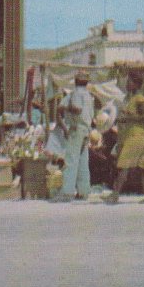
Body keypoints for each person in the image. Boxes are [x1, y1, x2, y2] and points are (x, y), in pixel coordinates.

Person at [105, 70, 144, 204]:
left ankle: (115, 194)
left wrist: (128, 117)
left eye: (129, 81)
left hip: (136, 135)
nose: (127, 84)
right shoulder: (129, 98)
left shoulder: (140, 99)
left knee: (124, 164)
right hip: (134, 134)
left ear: (136, 84)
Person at [53, 70, 94, 202]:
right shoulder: (89, 95)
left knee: (71, 161)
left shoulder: (75, 93)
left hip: (76, 128)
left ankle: (67, 192)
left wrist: (68, 108)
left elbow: (76, 109)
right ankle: (83, 191)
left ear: (76, 81)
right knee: (83, 161)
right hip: (86, 129)